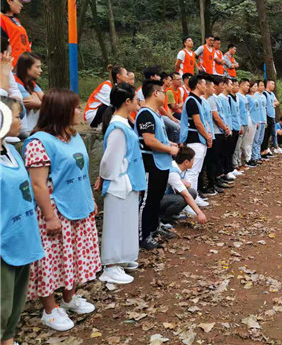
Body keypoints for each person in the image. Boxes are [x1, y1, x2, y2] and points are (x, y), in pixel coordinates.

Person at [24, 89, 101, 332]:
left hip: (79, 207)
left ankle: (69, 299)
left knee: (75, 256)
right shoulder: (39, 142)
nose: (80, 111)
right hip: (56, 211)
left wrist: (90, 199)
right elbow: (38, 184)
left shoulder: (74, 137)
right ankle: (49, 309)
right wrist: (49, 216)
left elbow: (79, 172)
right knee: (51, 260)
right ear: (61, 111)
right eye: (75, 107)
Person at [1, 97, 44, 345]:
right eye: (17, 116)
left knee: (15, 304)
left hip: (22, 237)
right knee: (1, 305)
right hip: (4, 242)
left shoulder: (12, 151)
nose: (21, 120)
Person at [95, 83, 146, 284]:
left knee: (126, 222)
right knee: (116, 225)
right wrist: (106, 177)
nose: (137, 102)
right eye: (135, 99)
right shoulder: (118, 127)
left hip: (127, 181)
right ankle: (110, 265)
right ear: (127, 102)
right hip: (119, 182)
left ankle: (124, 257)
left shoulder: (124, 124)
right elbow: (109, 161)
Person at [134, 80, 179, 250]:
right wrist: (169, 149)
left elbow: (158, 137)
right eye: (162, 91)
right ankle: (142, 235)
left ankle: (153, 228)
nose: (164, 95)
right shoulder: (145, 114)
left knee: (156, 198)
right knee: (147, 200)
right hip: (150, 163)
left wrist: (169, 143)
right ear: (155, 93)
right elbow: (149, 141)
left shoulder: (156, 114)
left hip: (161, 163)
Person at [179, 75, 212, 207]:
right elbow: (198, 123)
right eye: (204, 84)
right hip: (194, 140)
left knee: (196, 170)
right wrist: (208, 136)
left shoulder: (198, 100)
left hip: (200, 140)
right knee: (192, 171)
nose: (206, 86)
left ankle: (195, 196)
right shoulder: (192, 101)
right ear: (198, 85)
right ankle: (188, 203)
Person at [161, 145, 207, 224]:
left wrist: (184, 184)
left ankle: (173, 214)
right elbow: (186, 194)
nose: (194, 162)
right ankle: (164, 219)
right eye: (193, 160)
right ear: (186, 162)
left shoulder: (182, 169)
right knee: (180, 199)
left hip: (169, 195)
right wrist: (199, 213)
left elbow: (189, 185)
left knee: (192, 192)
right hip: (160, 198)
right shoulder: (173, 172)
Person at [0, 0, 31, 67]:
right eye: (19, 1)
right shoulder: (1, 19)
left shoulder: (15, 21)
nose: (22, 5)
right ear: (9, 1)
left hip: (23, 68)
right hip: (9, 69)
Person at [14, 52, 43, 138]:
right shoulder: (16, 82)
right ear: (26, 68)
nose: (40, 70)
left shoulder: (32, 83)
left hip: (29, 120)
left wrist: (38, 101)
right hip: (21, 124)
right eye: (37, 67)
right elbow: (31, 101)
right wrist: (36, 98)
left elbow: (46, 99)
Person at [225, 78, 243, 177]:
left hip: (236, 125)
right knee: (228, 150)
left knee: (233, 149)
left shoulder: (236, 98)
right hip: (231, 127)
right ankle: (228, 170)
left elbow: (237, 113)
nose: (234, 87)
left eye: (235, 85)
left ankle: (231, 168)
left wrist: (239, 125)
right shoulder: (228, 98)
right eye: (233, 85)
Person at [233, 79, 251, 170]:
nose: (248, 87)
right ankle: (235, 164)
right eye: (247, 85)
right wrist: (240, 124)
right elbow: (238, 112)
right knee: (237, 145)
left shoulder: (245, 97)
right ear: (242, 85)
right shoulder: (238, 97)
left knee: (242, 144)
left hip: (245, 122)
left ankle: (240, 162)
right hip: (240, 123)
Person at [0, 36, 23, 106]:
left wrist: (15, 100)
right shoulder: (5, 69)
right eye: (9, 55)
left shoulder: (6, 69)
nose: (11, 58)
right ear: (1, 55)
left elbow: (15, 90)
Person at [158, 72, 181, 142]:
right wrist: (172, 118)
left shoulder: (165, 92)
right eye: (170, 80)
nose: (171, 82)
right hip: (161, 116)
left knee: (179, 123)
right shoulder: (161, 91)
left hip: (166, 116)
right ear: (164, 81)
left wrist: (172, 118)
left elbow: (166, 107)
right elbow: (161, 108)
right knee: (178, 127)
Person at [263, 79, 282, 154]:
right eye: (272, 84)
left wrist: (272, 104)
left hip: (272, 116)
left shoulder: (272, 94)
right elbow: (265, 105)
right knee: (266, 133)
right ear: (268, 84)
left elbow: (277, 102)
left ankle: (276, 147)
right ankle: (266, 148)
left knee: (274, 133)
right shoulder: (264, 93)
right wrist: (272, 104)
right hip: (267, 116)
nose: (274, 86)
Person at [247, 81, 262, 165]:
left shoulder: (255, 96)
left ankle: (253, 157)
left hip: (256, 120)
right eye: (255, 86)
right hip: (250, 119)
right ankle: (249, 158)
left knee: (254, 140)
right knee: (249, 141)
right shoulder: (248, 97)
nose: (256, 88)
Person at [255, 80, 268, 160]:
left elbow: (265, 109)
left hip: (263, 120)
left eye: (263, 85)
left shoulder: (263, 96)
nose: (263, 87)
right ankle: (255, 156)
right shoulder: (255, 95)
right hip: (258, 120)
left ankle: (258, 155)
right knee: (256, 139)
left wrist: (265, 120)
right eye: (261, 85)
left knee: (260, 139)